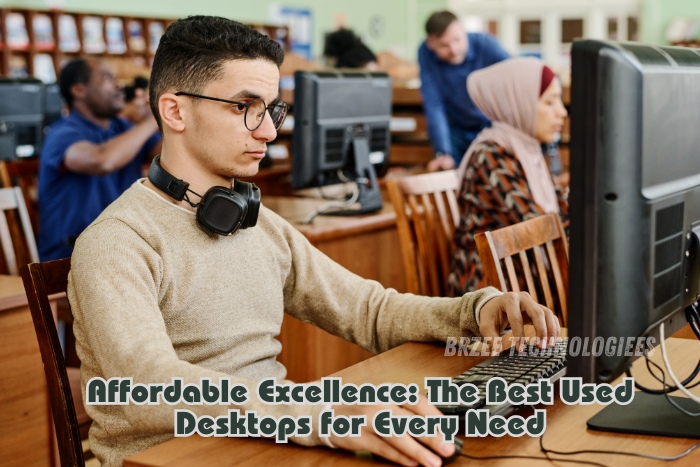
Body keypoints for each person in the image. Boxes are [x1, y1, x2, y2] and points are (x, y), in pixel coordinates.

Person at [68, 16, 560, 467]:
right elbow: (145, 385)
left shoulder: (257, 223)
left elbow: (368, 310)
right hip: (166, 457)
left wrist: (473, 312)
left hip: (265, 439)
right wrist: (320, 413)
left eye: (270, 110)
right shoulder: (116, 242)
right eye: (244, 107)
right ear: (174, 110)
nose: (266, 131)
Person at [448, 57, 569, 296]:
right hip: (491, 296)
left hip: (524, 281)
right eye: (550, 102)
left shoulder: (527, 150)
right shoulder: (490, 157)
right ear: (518, 104)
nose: (562, 112)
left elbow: (559, 210)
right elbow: (541, 227)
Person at [37, 59, 162, 261]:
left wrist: (170, 120)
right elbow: (102, 161)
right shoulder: (62, 132)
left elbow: (169, 154)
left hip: (120, 250)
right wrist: (156, 118)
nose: (118, 84)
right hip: (70, 260)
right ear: (79, 91)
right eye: (107, 78)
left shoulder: (121, 127)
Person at [418, 10, 509, 172]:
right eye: (444, 45)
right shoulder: (425, 54)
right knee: (451, 172)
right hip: (457, 126)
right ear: (430, 44)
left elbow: (517, 74)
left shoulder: (486, 44)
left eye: (457, 40)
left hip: (491, 124)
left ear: (463, 31)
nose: (453, 49)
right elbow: (434, 104)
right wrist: (442, 152)